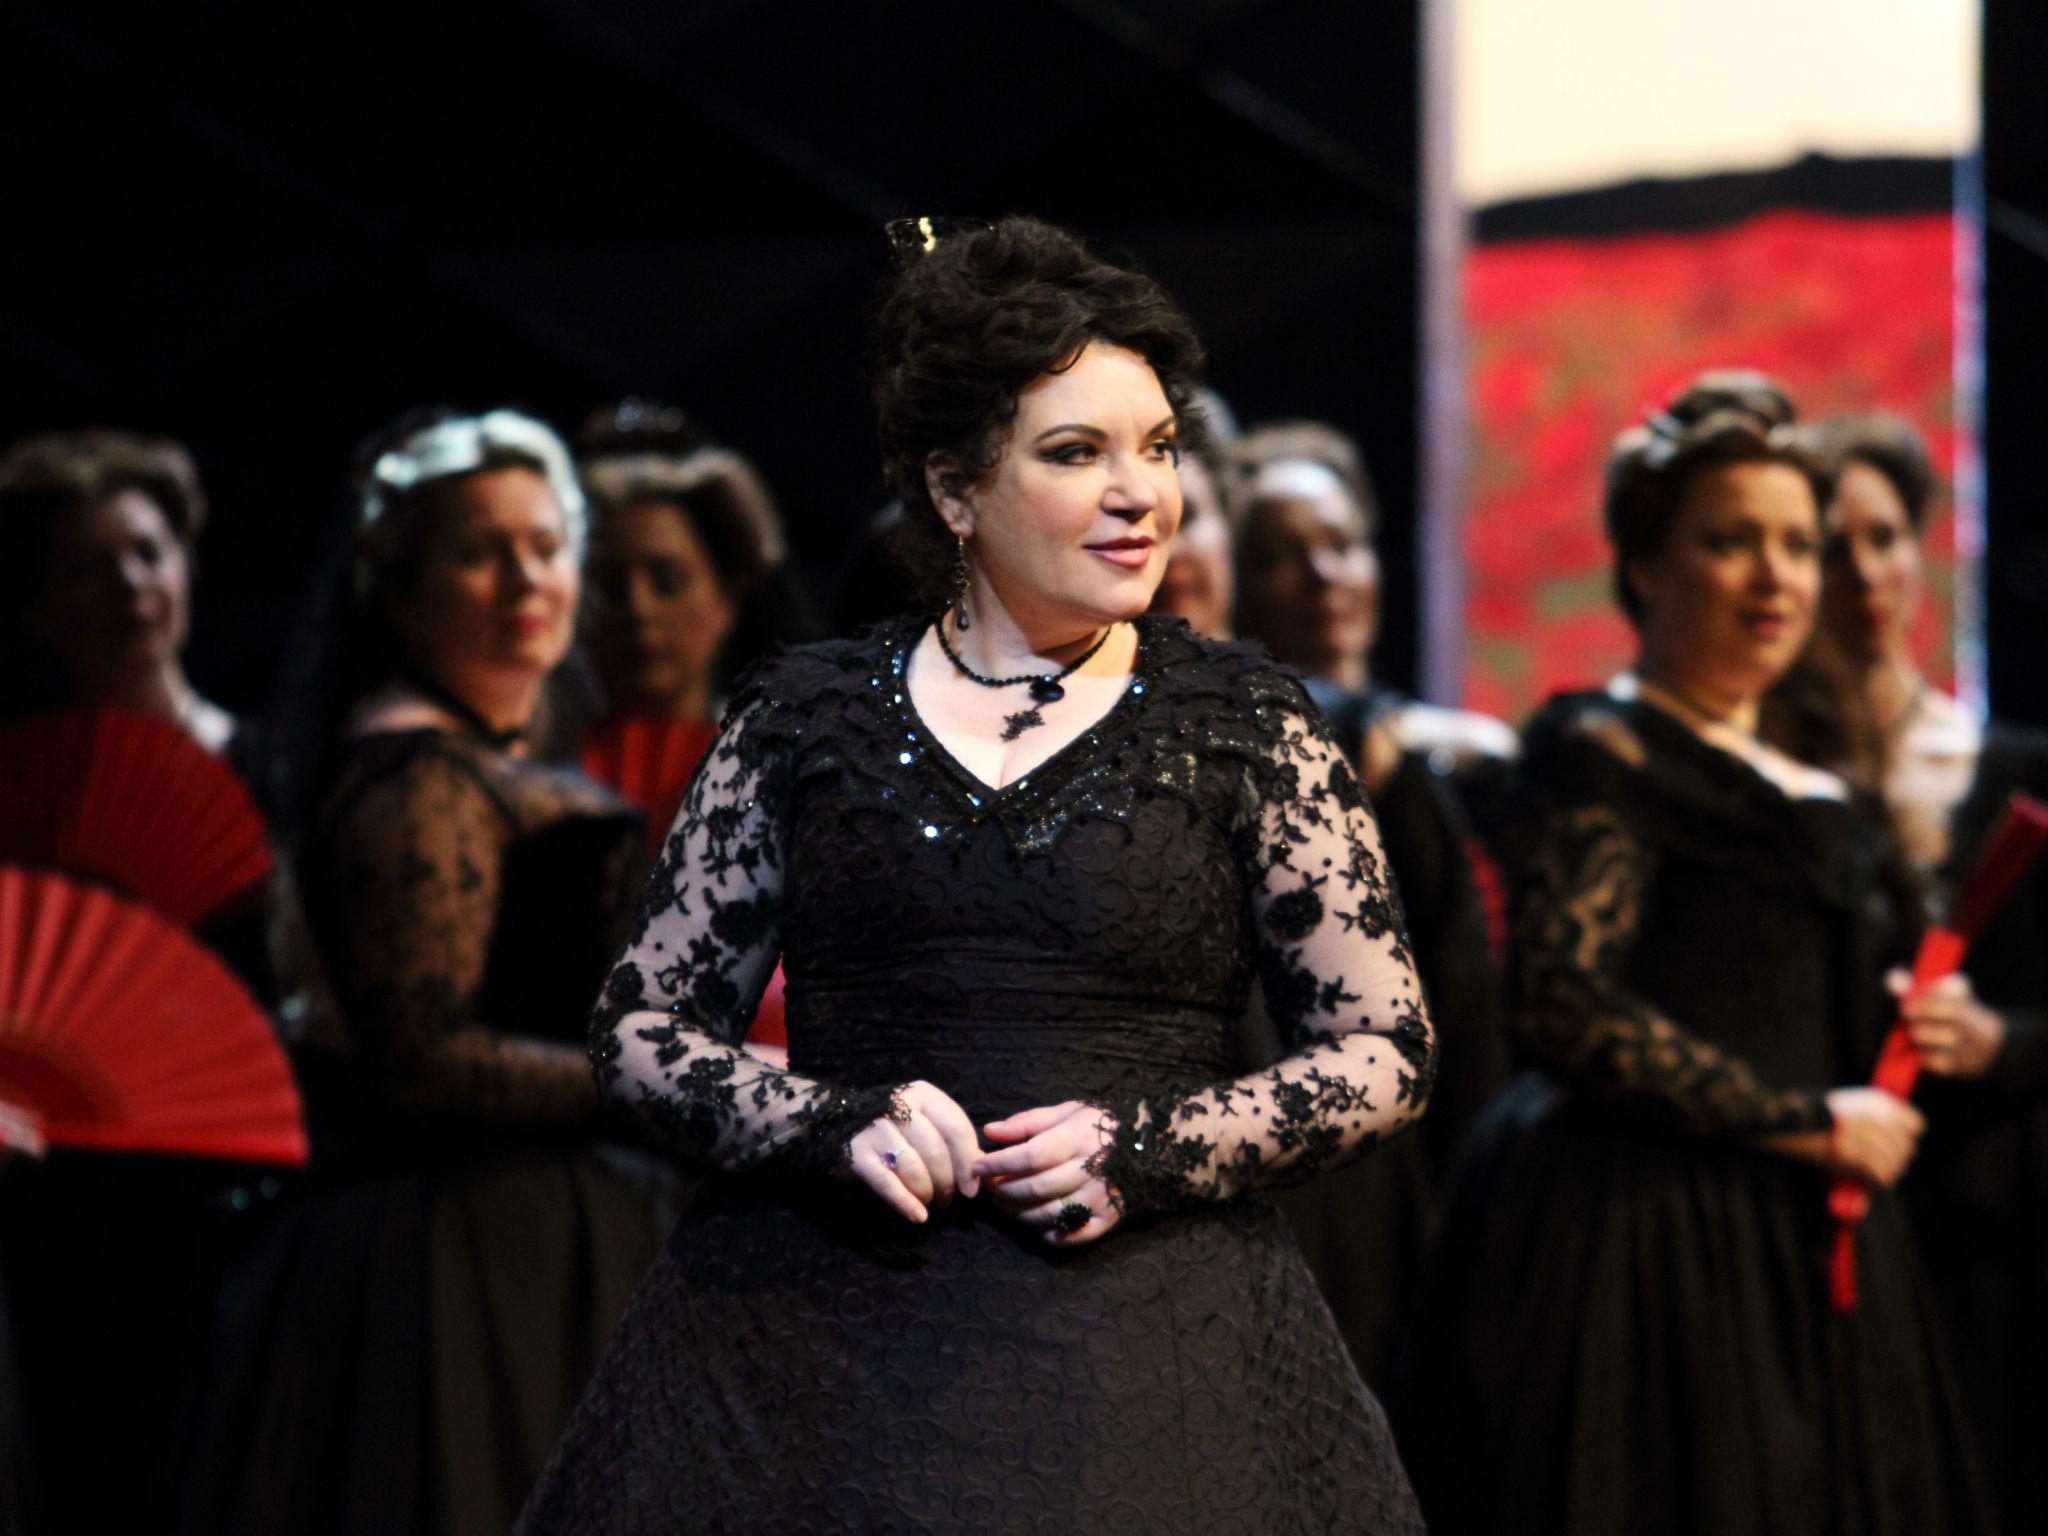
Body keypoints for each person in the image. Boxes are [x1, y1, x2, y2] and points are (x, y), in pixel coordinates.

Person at [520, 215, 1436, 1534]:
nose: (1143, 494)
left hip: (1160, 1370)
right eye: (1078, 454)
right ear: (954, 490)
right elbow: (643, 1030)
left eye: (1158, 449)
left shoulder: (1247, 720)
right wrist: (833, 1124)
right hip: (820, 1371)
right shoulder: (805, 717)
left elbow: (1383, 1048)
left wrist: (1147, 1145)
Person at [1407, 374, 1990, 1535]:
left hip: (1802, 1247)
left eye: (1794, 544)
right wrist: (1803, 1120)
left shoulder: (1820, 790)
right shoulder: (1603, 750)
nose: (1775, 576)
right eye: (1730, 542)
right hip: (1641, 1246)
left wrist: (1917, 1023)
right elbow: (1566, 1009)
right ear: (1644, 566)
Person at [179, 408, 671, 1536]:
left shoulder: (493, 757)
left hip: (553, 1230)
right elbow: (428, 1059)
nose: (524, 577)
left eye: (545, 546)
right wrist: (658, 1080)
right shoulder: (416, 780)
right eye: (478, 551)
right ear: (401, 592)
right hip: (465, 1251)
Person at [1229, 436, 1508, 1388]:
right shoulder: (1264, 758)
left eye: (1342, 544)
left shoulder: (1439, 754)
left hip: (1432, 1154)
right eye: (1277, 554)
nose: (1321, 576)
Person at [1813, 411, 2048, 1531]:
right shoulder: (1766, 787)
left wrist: (1998, 1041)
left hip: (1987, 1222)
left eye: (1883, 534)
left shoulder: (2013, 773)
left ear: (1919, 547)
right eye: (1825, 542)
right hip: (1819, 1210)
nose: (1860, 570)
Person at [0, 429, 232, 745]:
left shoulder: (271, 769)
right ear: (40, 609)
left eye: (150, 554)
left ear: (187, 558)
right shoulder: (31, 780)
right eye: (85, 572)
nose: (130, 583)